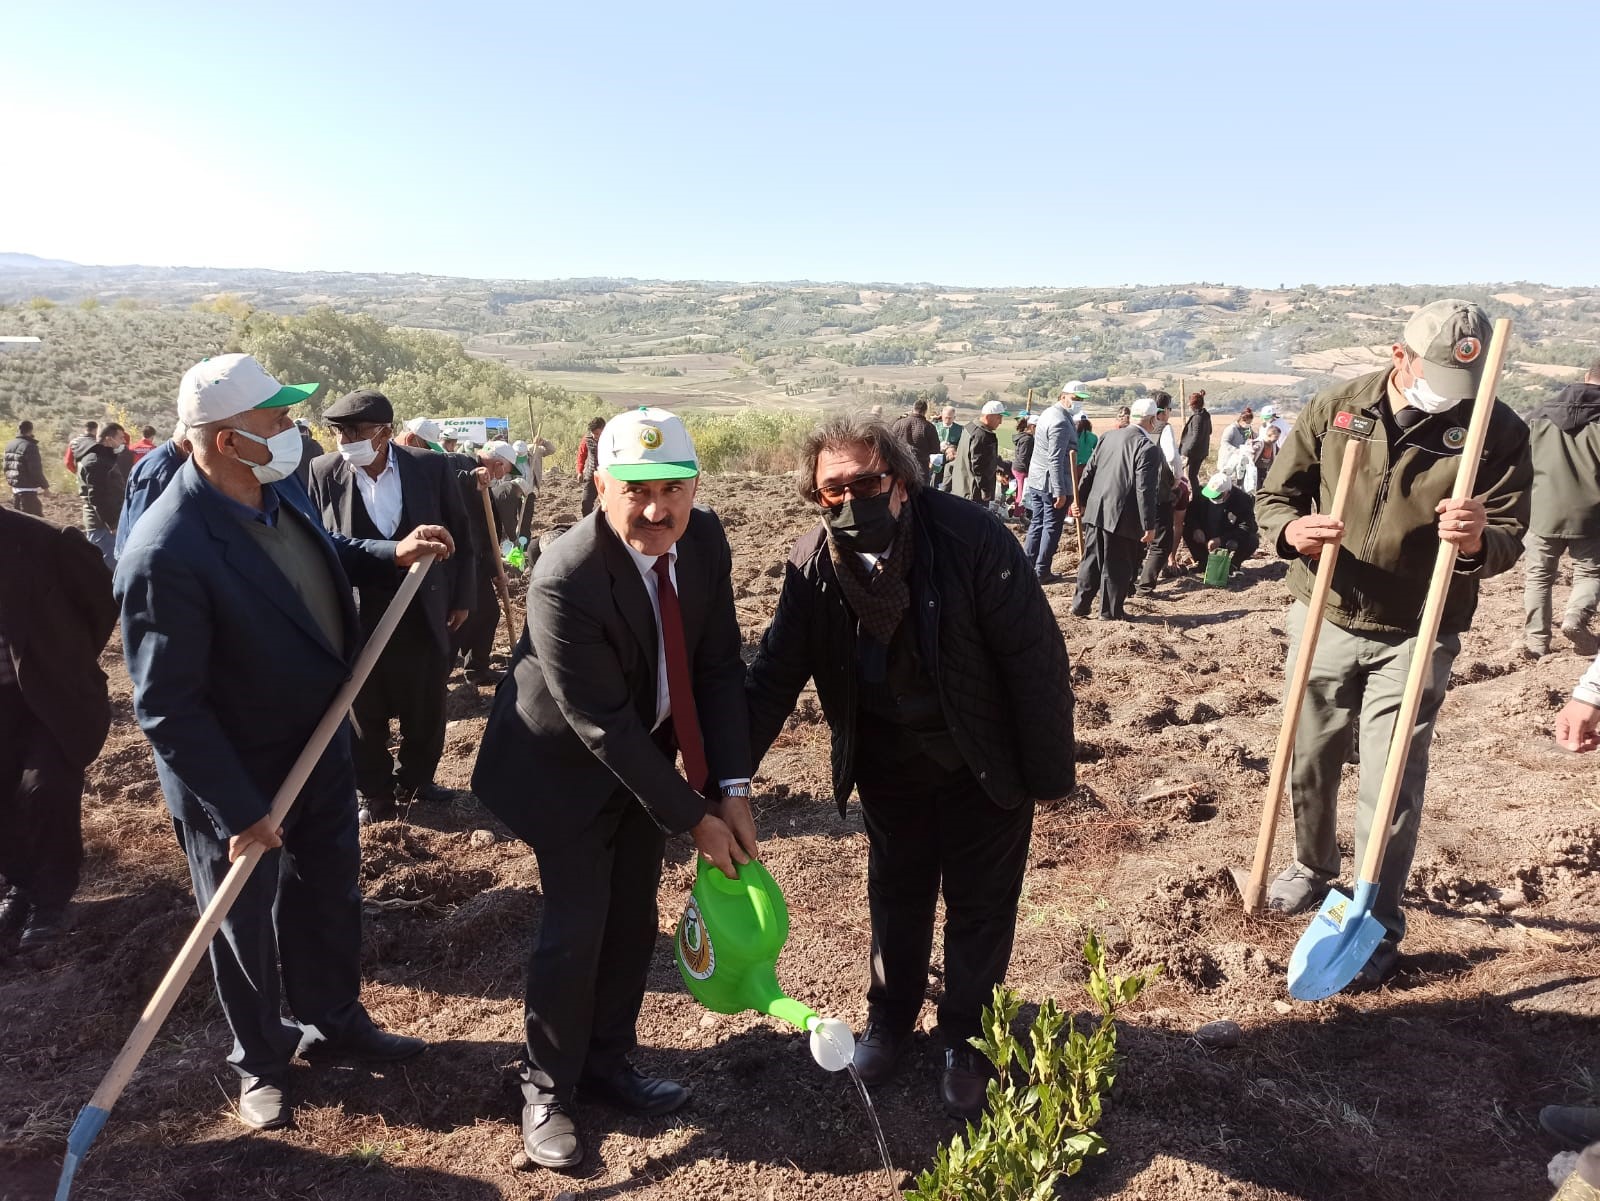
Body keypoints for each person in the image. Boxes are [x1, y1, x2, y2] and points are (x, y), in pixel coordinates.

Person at [116, 353, 453, 1131]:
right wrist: (238, 808)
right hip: (234, 770)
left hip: (320, 736)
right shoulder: (167, 550)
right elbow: (167, 706)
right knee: (242, 920)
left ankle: (336, 1018)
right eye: (275, 418)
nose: (292, 427)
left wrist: (390, 553)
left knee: (329, 889)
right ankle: (261, 1061)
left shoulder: (280, 486)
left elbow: (320, 553)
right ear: (228, 441)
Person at [745, 414, 1074, 1121]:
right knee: (897, 896)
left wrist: (1047, 775)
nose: (848, 501)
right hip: (888, 767)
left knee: (981, 907)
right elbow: (773, 675)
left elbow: (1035, 656)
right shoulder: (813, 565)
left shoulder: (969, 538)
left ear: (900, 481)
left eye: (864, 484)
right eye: (832, 490)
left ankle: (967, 1040)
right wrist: (727, 778)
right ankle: (890, 1020)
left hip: (983, 762)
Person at [471, 407, 755, 1172]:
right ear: (602, 487)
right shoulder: (566, 574)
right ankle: (546, 1089)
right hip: (562, 767)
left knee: (633, 916)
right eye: (637, 491)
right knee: (578, 924)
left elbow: (719, 666)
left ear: (695, 487)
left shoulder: (706, 540)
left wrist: (731, 786)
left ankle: (606, 1060)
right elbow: (602, 726)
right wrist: (694, 816)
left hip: (645, 759)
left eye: (672, 490)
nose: (657, 510)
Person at [1255, 300, 1531, 984]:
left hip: (1419, 627)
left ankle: (1374, 913)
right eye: (1438, 376)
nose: (1451, 395)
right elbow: (1276, 497)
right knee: (1310, 754)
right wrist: (1291, 531)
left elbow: (1509, 535)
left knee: (1392, 777)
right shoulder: (1340, 407)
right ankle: (1311, 865)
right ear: (1399, 356)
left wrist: (1477, 541)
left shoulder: (1496, 428)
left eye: (1463, 383)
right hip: (1327, 610)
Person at [308, 390, 475, 823]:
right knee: (363, 707)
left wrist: (462, 597)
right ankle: (375, 792)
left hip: (424, 607)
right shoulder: (324, 472)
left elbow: (462, 534)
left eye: (356, 431)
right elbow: (319, 543)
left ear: (384, 432)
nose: (346, 440)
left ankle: (418, 779)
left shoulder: (429, 467)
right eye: (339, 432)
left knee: (426, 700)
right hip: (358, 610)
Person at [0, 506, 116, 950]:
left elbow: (101, 604)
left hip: (52, 696)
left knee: (46, 789)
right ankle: (21, 885)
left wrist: (66, 659)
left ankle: (50, 902)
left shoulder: (48, 541)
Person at [1520, 359, 1600, 660]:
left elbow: (1519, 461)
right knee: (1589, 572)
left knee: (1539, 577)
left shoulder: (1539, 414)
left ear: (1586, 376)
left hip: (1542, 510)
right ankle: (1575, 617)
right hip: (1591, 515)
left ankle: (1536, 642)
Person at [1070, 398, 1162, 620]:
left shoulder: (1108, 436)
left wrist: (1080, 500)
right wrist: (1149, 525)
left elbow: (1089, 470)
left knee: (1091, 560)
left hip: (1096, 509)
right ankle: (1110, 612)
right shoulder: (1147, 448)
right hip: (1121, 516)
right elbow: (1144, 489)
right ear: (1152, 419)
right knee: (1117, 565)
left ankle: (1080, 605)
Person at [451, 442, 517, 685]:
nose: (503, 476)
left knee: (486, 612)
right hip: (456, 561)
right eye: (505, 470)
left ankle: (476, 668)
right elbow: (444, 477)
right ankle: (443, 672)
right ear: (498, 464)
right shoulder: (459, 461)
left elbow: (486, 532)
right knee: (462, 617)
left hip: (476, 560)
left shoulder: (485, 483)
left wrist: (495, 571)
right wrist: (471, 478)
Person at [1022, 384, 1085, 583]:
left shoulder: (1049, 413)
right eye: (1075, 398)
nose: (1078, 402)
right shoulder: (1060, 421)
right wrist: (1059, 491)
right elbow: (1055, 458)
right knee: (1050, 526)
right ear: (1063, 396)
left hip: (1037, 480)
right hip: (1050, 483)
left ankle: (1026, 566)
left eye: (1081, 399)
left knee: (1038, 523)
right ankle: (1041, 570)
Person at [116, 420, 190, 556]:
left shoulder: (138, 448)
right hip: (140, 556)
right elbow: (141, 527)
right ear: (188, 445)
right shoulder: (158, 473)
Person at [1135, 394, 1181, 598]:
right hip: (1158, 491)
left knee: (1138, 537)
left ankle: (1131, 580)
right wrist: (1177, 478)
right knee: (1162, 541)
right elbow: (1171, 457)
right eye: (1170, 409)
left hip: (1136, 491)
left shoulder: (1136, 429)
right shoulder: (1164, 428)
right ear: (1164, 411)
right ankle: (1145, 587)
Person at [1183, 472, 1258, 572]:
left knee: (1252, 540)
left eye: (1217, 495)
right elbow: (1190, 514)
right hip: (1206, 533)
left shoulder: (1242, 500)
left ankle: (1233, 564)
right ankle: (1204, 562)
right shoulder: (1200, 492)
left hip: (1228, 536)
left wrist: (1221, 540)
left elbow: (1246, 527)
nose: (1212, 498)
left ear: (1227, 492)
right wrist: (1196, 528)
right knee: (1187, 530)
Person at [76, 422, 127, 570]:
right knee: (108, 570)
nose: (123, 441)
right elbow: (97, 497)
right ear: (108, 439)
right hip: (102, 526)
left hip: (107, 523)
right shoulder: (96, 461)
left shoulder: (103, 458)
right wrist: (112, 523)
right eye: (120, 437)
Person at [950, 400, 1004, 503]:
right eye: (999, 417)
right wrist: (985, 489)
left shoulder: (970, 427)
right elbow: (978, 466)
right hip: (973, 491)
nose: (1000, 422)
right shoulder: (981, 435)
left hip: (962, 486)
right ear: (988, 417)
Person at [512, 435, 557, 545]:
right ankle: (513, 541)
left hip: (529, 493)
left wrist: (543, 441)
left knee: (526, 520)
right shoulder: (509, 458)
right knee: (513, 520)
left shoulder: (534, 451)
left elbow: (552, 450)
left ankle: (524, 543)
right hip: (513, 493)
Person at [890, 398, 941, 484]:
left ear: (913, 409)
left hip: (901, 466)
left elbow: (890, 444)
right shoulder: (929, 427)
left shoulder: (899, 424)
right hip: (921, 467)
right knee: (921, 491)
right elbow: (935, 449)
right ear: (925, 411)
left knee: (901, 489)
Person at [4, 420, 49, 516]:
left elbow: (6, 467)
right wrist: (45, 487)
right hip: (28, 491)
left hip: (15, 489)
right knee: (35, 521)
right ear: (31, 430)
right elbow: (35, 470)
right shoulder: (30, 446)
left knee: (19, 520)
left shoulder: (10, 445)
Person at [1180, 391, 1212, 495]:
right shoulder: (1205, 415)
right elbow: (1209, 431)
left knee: (1190, 475)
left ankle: (1196, 497)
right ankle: (1196, 496)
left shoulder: (1197, 417)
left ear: (1193, 405)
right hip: (1201, 451)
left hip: (1194, 452)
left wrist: (1187, 452)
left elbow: (1196, 436)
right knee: (1192, 475)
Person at [579, 416, 605, 516]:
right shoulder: (587, 439)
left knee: (606, 505)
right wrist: (579, 471)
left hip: (607, 476)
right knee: (586, 504)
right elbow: (581, 455)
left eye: (597, 434)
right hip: (591, 476)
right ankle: (588, 523)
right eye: (593, 433)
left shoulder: (611, 439)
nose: (595, 436)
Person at [1011, 415, 1036, 519]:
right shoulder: (1027, 439)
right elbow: (1023, 457)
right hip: (1022, 470)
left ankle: (1018, 513)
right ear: (1032, 427)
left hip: (1017, 468)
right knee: (1022, 494)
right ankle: (1017, 515)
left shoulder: (1022, 437)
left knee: (1020, 492)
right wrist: (1028, 471)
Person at [934, 405, 963, 491]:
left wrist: (953, 448)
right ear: (942, 416)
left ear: (954, 417)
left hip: (951, 462)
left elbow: (962, 446)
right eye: (945, 418)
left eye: (950, 418)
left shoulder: (960, 429)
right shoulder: (934, 427)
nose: (947, 420)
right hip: (936, 462)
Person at [292, 418, 324, 491]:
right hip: (312, 487)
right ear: (307, 431)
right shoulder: (315, 446)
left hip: (294, 489)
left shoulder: (288, 446)